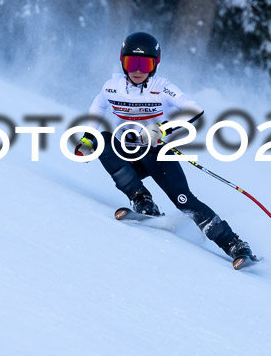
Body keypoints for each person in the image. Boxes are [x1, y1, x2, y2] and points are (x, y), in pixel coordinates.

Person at [75, 32, 254, 263]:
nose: (137, 70)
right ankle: (142, 199)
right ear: (122, 62)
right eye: (131, 63)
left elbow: (194, 109)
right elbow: (97, 107)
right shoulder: (112, 87)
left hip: (158, 154)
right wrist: (88, 138)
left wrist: (162, 129)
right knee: (103, 140)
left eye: (145, 64)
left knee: (183, 200)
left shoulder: (162, 87)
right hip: (128, 156)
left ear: (155, 65)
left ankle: (234, 244)